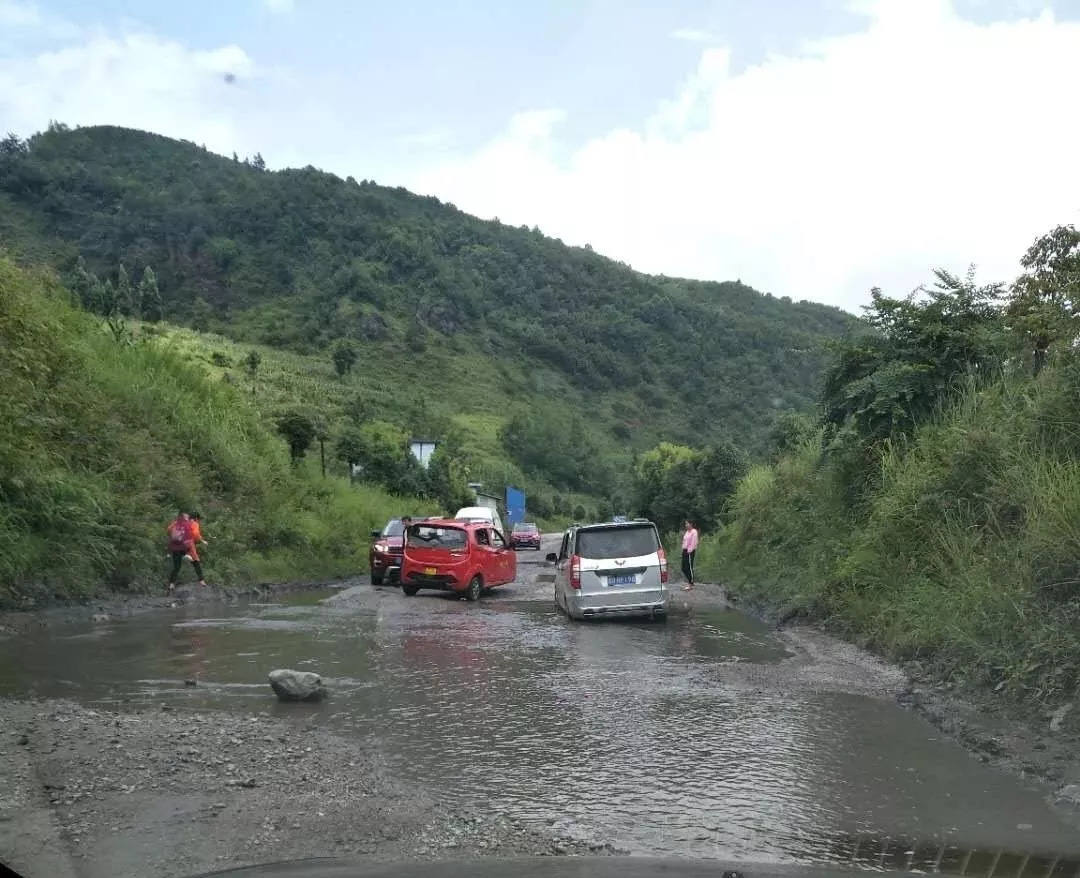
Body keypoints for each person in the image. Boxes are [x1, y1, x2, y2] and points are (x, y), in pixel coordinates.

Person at [166, 510, 206, 590]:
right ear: (196, 519)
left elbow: (169, 529)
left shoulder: (177, 522)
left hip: (176, 546)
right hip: (188, 546)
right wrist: (202, 541)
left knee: (176, 566)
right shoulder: (194, 524)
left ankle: (171, 584)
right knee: (196, 562)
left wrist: (177, 538)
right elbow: (196, 534)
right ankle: (202, 581)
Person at [681, 518, 699, 592]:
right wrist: (683, 549)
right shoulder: (687, 532)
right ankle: (690, 581)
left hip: (690, 552)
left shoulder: (694, 532)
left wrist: (689, 551)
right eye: (685, 524)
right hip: (685, 551)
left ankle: (690, 583)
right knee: (683, 568)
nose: (686, 525)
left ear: (691, 524)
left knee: (689, 567)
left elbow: (694, 542)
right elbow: (685, 541)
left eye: (687, 523)